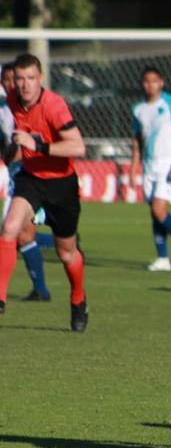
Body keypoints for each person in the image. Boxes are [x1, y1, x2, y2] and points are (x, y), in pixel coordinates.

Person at [0, 53, 88, 331]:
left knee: (66, 253)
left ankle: (78, 299)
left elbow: (78, 147)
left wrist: (38, 146)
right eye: (20, 79)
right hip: (31, 178)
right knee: (9, 227)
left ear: (40, 79)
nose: (25, 85)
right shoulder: (12, 99)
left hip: (61, 184)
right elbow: (15, 141)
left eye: (31, 78)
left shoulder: (54, 106)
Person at [129, 66, 171, 271]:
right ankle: (163, 258)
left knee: (159, 209)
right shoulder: (138, 109)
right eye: (146, 81)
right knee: (154, 211)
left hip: (167, 162)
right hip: (149, 164)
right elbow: (137, 141)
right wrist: (133, 168)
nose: (150, 85)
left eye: (154, 80)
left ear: (161, 82)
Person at [1, 61, 53, 302]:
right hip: (16, 174)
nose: (14, 84)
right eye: (9, 80)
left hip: (35, 176)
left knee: (17, 233)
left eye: (18, 79)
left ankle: (40, 289)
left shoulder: (36, 107)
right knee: (20, 234)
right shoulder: (5, 109)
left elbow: (33, 143)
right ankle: (41, 289)